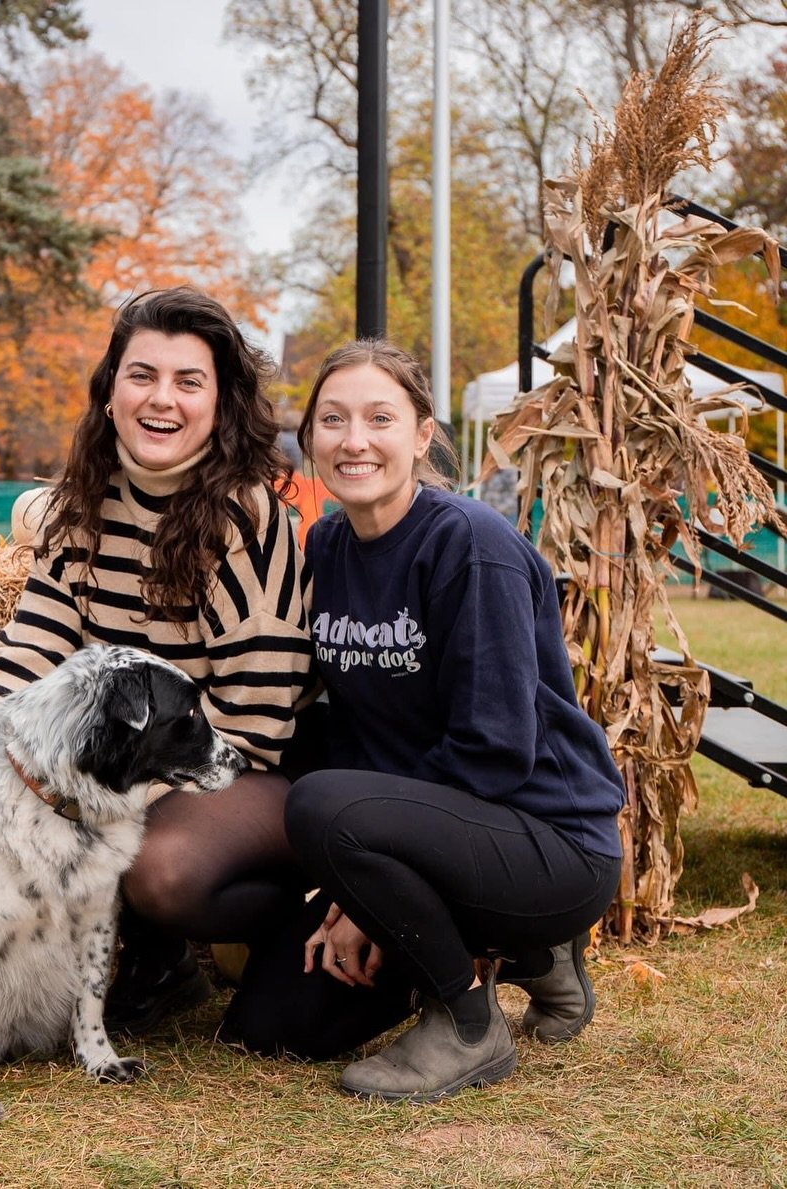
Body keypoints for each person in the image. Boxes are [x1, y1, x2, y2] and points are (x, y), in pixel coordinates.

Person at [0, 286, 315, 1033]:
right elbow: (30, 647)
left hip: (248, 766)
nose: (163, 398)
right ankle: (159, 967)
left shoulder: (245, 519)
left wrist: (97, 798)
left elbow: (258, 719)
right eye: (142, 374)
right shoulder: (85, 503)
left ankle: (267, 927)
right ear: (111, 389)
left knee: (159, 869)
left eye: (190, 381)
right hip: (133, 762)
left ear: (220, 403)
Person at [220, 339, 625, 1102]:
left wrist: (357, 880)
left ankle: (469, 1019)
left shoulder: (471, 546)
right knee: (275, 1023)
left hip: (545, 837)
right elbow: (350, 727)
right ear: (308, 439)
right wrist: (358, 883)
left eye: (380, 417)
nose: (354, 440)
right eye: (332, 420)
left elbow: (497, 750)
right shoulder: (328, 545)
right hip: (424, 832)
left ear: (422, 433)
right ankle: (534, 957)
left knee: (320, 802)